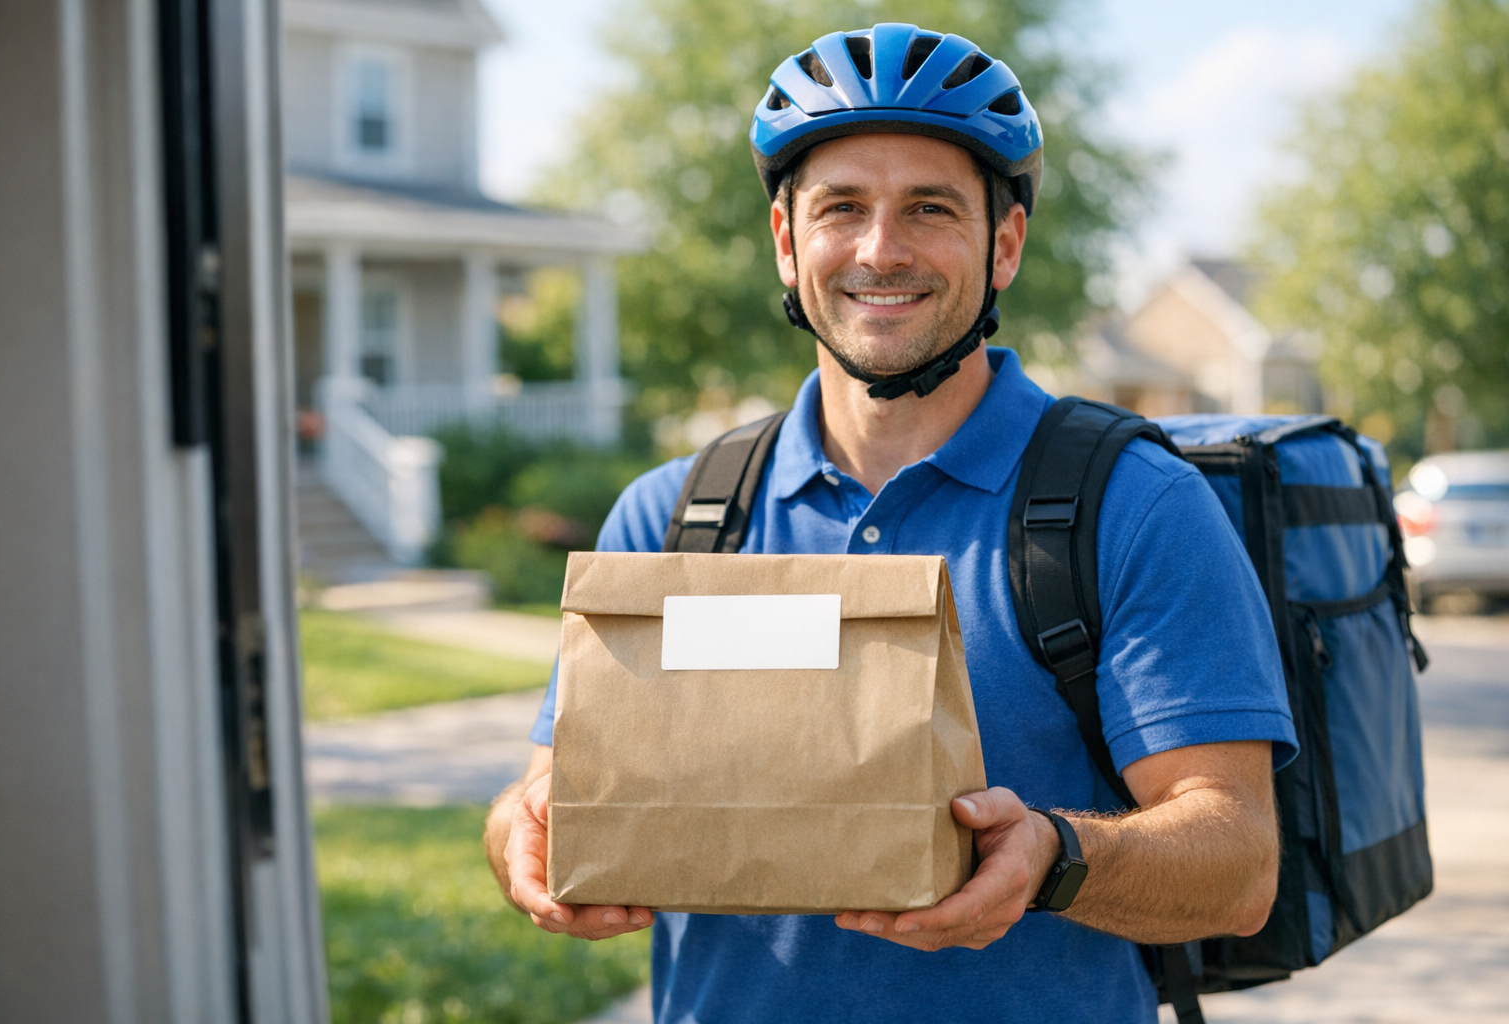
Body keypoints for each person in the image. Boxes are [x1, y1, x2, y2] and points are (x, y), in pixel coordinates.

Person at [486, 23, 1297, 1023]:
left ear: (1002, 245)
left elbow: (1239, 861)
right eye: (842, 209)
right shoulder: (674, 516)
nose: (880, 248)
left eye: (929, 208)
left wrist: (1056, 856)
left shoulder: (1130, 505)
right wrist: (517, 836)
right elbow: (544, 791)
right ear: (787, 243)